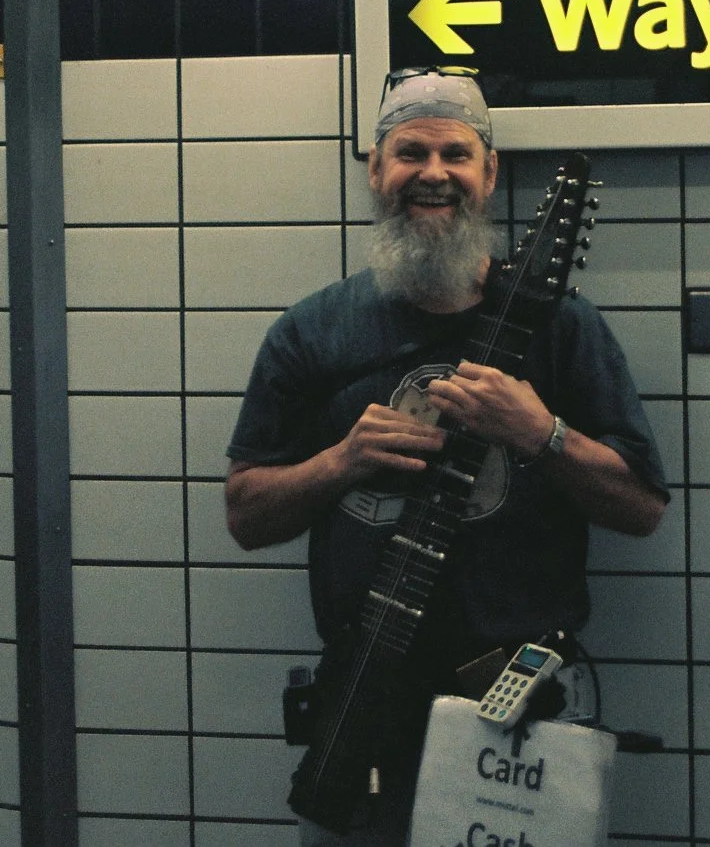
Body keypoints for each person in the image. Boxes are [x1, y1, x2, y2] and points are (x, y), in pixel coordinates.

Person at [225, 69, 669, 845]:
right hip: (360, 708)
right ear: (375, 169)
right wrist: (342, 460)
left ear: (489, 175)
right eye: (410, 153)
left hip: (513, 716)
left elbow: (641, 508)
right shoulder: (311, 332)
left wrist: (543, 433)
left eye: (456, 155)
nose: (434, 174)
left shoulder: (564, 328)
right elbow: (246, 515)